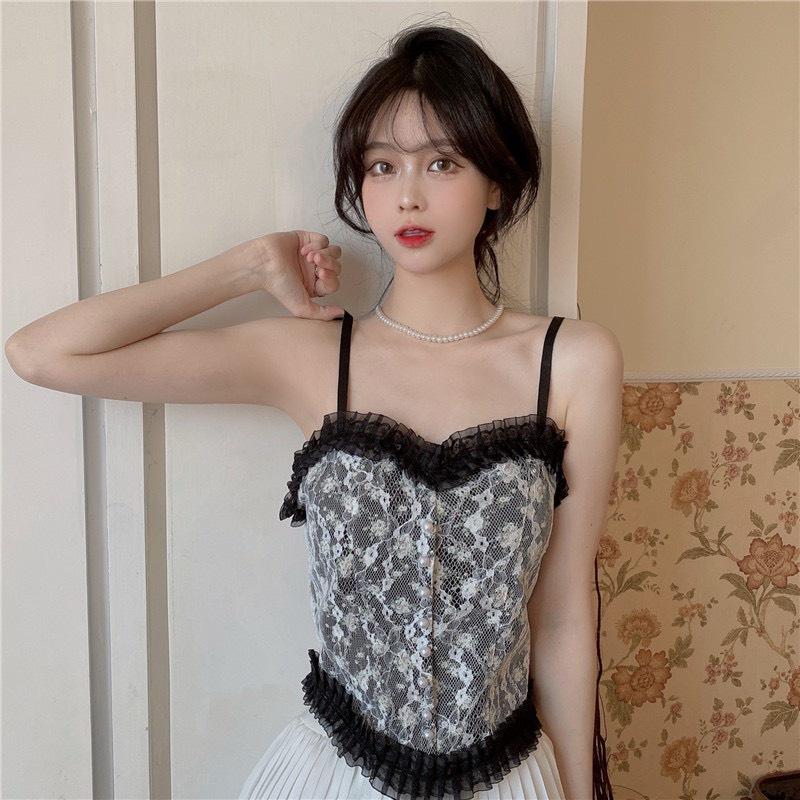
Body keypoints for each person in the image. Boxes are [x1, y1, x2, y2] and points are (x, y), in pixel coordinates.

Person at [5, 19, 622, 800]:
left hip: (508, 776)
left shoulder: (573, 362)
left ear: (496, 183)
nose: (407, 194)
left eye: (442, 162)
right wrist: (247, 267)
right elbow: (42, 353)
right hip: (336, 776)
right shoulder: (312, 357)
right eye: (382, 165)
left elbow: (563, 616)